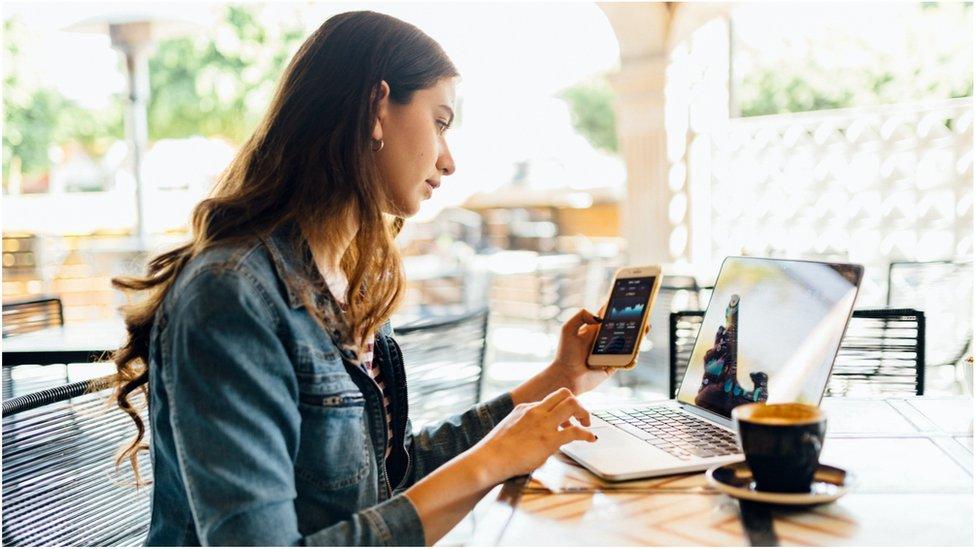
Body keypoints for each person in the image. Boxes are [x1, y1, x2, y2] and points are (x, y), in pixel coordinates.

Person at [111, 11, 613, 546]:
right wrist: (489, 463)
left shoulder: (351, 281)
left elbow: (389, 479)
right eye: (440, 122)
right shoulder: (231, 295)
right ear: (377, 107)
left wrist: (561, 377)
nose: (449, 160)